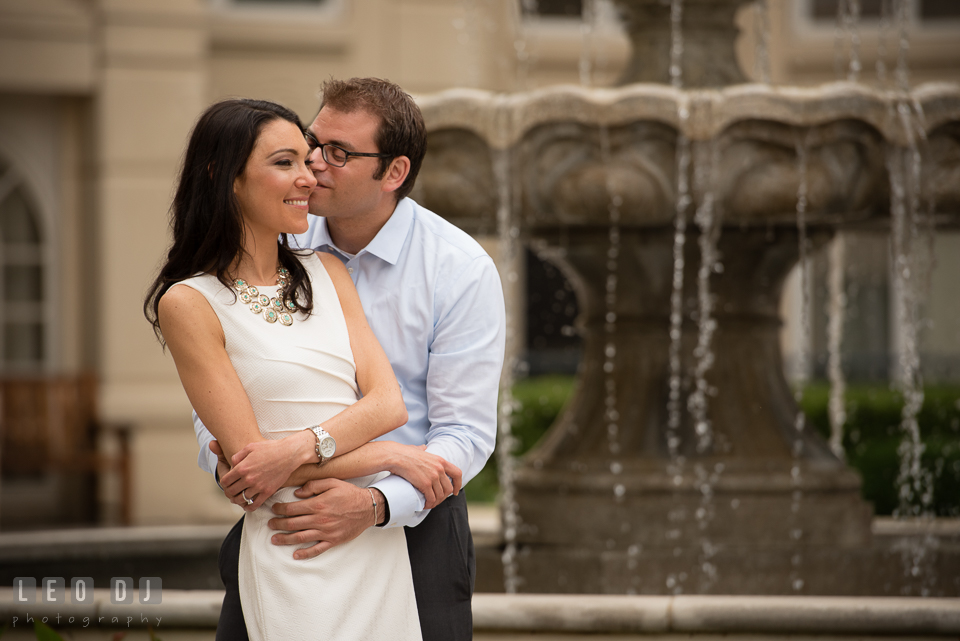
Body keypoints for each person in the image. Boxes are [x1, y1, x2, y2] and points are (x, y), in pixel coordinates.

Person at [194, 78, 506, 641]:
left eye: (337, 154)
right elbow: (218, 369)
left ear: (394, 173)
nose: (312, 164)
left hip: (416, 528)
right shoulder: (276, 233)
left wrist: (375, 502)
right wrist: (226, 462)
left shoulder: (461, 268)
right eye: (313, 143)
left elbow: (464, 433)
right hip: (282, 517)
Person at [144, 98, 429, 640]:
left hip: (375, 552)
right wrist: (393, 455)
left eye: (309, 158)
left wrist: (297, 450)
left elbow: (388, 404)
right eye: (285, 162)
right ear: (224, 177)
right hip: (293, 546)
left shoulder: (328, 271)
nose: (308, 177)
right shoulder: (189, 303)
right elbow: (253, 473)